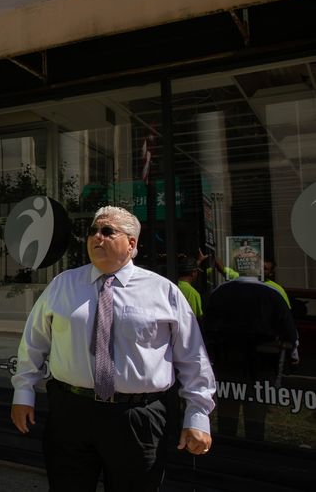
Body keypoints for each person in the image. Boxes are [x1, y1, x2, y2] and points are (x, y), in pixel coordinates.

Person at [11, 206, 216, 492]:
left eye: (107, 231)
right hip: (71, 413)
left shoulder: (163, 291)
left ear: (131, 243)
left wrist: (198, 414)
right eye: (93, 231)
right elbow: (33, 343)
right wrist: (23, 392)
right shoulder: (63, 285)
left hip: (137, 418)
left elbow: (193, 359)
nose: (97, 237)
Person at [204, 256, 298, 441]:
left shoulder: (219, 293)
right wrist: (290, 356)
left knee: (227, 414)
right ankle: (254, 451)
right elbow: (290, 335)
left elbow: (205, 330)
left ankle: (227, 448)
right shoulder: (272, 294)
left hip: (227, 364)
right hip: (261, 367)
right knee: (256, 415)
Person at [177, 255, 203, 319]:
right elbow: (196, 319)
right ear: (193, 272)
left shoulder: (173, 285)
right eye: (197, 271)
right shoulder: (193, 293)